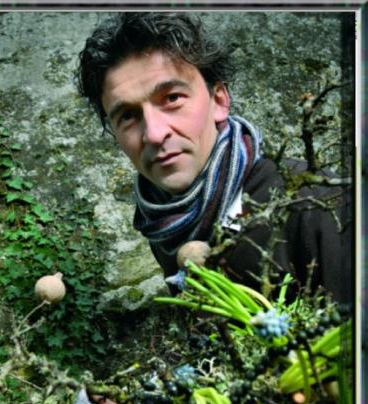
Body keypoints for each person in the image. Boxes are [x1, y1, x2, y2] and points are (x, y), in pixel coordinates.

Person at [77, 12, 352, 305]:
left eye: (172, 98)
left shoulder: (318, 203)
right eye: (128, 116)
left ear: (219, 100)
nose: (155, 134)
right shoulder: (163, 224)